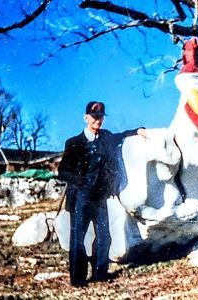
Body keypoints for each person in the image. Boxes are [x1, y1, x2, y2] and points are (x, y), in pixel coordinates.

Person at [58, 101, 146, 287]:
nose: (98, 119)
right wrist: (81, 181)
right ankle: (78, 279)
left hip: (100, 198)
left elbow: (122, 136)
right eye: (94, 116)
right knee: (78, 239)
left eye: (101, 116)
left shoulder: (106, 137)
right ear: (86, 117)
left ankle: (100, 274)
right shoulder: (74, 143)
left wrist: (138, 131)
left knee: (104, 236)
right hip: (81, 197)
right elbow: (63, 171)